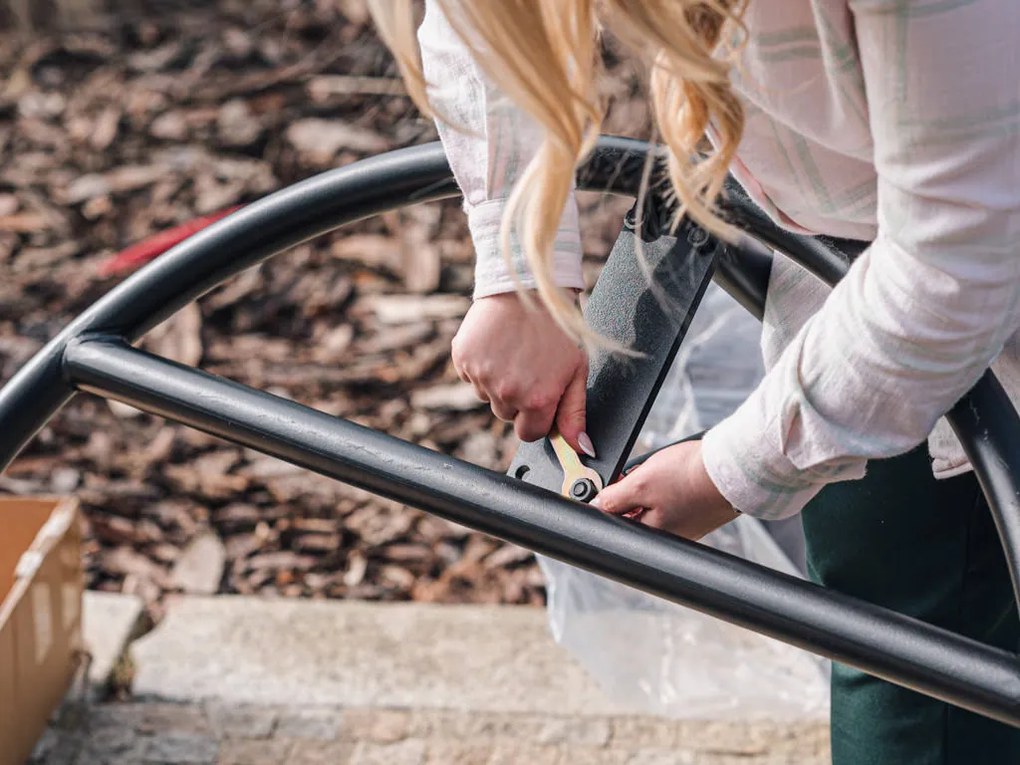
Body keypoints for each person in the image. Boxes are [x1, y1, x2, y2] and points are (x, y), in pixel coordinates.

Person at [369, 1, 1020, 761]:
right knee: (895, 624)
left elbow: (954, 261)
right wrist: (522, 266)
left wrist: (731, 469)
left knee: (927, 667)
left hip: (960, 304)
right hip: (889, 271)